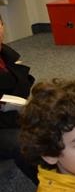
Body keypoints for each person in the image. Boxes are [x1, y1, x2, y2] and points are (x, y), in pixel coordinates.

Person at [0, 14, 37, 182]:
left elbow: (24, 86)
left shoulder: (7, 55)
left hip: (14, 118)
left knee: (59, 123)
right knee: (24, 143)